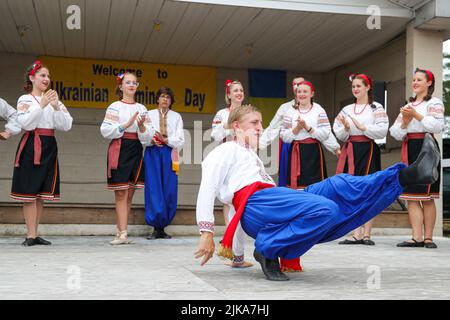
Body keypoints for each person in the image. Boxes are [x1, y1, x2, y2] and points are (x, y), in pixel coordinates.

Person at [195, 104, 440, 281]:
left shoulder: (251, 156)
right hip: (257, 205)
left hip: (271, 200)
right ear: (236, 126)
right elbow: (208, 190)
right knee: (328, 210)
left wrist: (238, 258)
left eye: (260, 122)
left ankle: (406, 176)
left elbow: (239, 218)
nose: (260, 127)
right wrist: (206, 232)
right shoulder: (223, 151)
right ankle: (268, 248)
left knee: (339, 185)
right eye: (254, 123)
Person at [260, 77, 340, 272]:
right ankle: (290, 255)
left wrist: (309, 128)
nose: (301, 93)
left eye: (305, 91)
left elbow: (325, 134)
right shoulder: (289, 111)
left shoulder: (319, 110)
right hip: (294, 153)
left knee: (313, 194)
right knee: (293, 194)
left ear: (312, 93)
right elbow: (284, 136)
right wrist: (296, 128)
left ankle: (312, 229)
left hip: (313, 153)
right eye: (298, 91)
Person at [11, 60, 73, 246]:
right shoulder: (25, 99)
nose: (47, 79)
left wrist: (54, 106)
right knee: (30, 192)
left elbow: (66, 125)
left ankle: (35, 233)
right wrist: (42, 104)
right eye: (42, 75)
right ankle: (30, 235)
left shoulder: (56, 101)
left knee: (41, 193)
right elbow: (26, 124)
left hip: (49, 146)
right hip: (32, 144)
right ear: (32, 78)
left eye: (48, 76)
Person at [390, 68, 445, 249]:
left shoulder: (434, 102)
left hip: (427, 147)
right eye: (413, 80)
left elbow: (437, 126)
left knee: (427, 196)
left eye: (419, 80)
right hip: (410, 147)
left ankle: (428, 237)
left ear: (428, 83)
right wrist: (406, 120)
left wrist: (416, 115)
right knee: (412, 196)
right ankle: (416, 237)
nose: (415, 82)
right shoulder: (408, 105)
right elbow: (396, 133)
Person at [334, 74, 389, 246]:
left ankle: (367, 234)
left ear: (367, 87)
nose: (355, 89)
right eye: (354, 86)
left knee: (369, 189)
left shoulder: (376, 107)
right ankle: (355, 232)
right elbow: (338, 132)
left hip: (369, 149)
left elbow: (382, 131)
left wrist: (364, 127)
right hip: (351, 150)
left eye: (359, 86)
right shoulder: (347, 109)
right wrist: (346, 128)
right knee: (352, 190)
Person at [100, 72, 154, 245]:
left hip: (136, 148)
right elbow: (105, 130)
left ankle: (121, 231)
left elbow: (148, 137)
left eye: (134, 83)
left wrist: (141, 127)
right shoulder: (114, 106)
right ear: (121, 86)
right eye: (128, 82)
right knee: (121, 192)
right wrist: (125, 125)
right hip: (120, 148)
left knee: (130, 192)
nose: (131, 85)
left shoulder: (143, 108)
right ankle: (122, 233)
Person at [211, 79, 253, 268]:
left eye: (241, 90)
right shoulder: (222, 113)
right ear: (228, 95)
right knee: (228, 199)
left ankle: (237, 253)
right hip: (228, 157)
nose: (238, 93)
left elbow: (254, 134)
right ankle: (229, 242)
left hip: (245, 158)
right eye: (235, 90)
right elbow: (215, 135)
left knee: (242, 199)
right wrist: (229, 124)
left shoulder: (248, 112)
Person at [144, 87, 184, 239]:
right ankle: (155, 227)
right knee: (154, 187)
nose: (165, 99)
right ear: (157, 99)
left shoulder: (176, 116)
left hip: (169, 151)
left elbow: (181, 138)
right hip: (153, 151)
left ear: (171, 100)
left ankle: (163, 226)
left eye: (168, 97)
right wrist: (152, 139)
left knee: (169, 188)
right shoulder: (149, 114)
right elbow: (143, 134)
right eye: (162, 96)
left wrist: (167, 140)